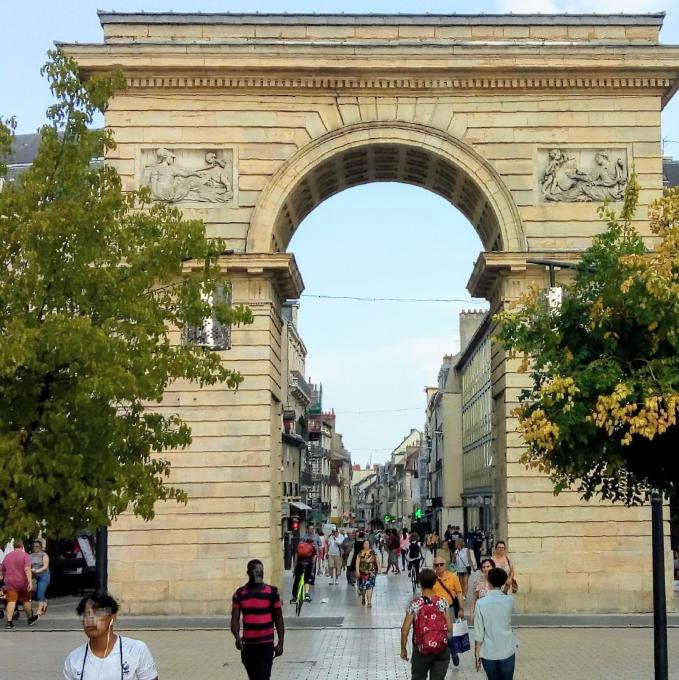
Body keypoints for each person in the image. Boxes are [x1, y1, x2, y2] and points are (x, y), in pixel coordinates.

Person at [63, 593, 158, 679]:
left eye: (98, 613)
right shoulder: (74, 659)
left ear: (113, 617)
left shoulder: (136, 650)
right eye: (86, 615)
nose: (90, 619)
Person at [231, 559, 284, 680]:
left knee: (264, 677)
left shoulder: (272, 592)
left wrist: (281, 642)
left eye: (260, 572)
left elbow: (279, 619)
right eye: (255, 572)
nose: (258, 575)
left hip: (266, 645)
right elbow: (235, 619)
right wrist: (237, 638)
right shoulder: (239, 594)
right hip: (248, 646)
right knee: (254, 677)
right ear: (248, 573)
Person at [400, 568, 452, 680]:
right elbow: (450, 627)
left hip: (421, 649)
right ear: (435, 582)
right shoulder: (442, 602)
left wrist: (403, 649)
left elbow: (405, 630)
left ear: (420, 583)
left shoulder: (415, 604)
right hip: (441, 649)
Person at [474, 568, 517, 679]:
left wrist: (477, 653)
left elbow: (479, 632)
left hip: (489, 651)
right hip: (507, 648)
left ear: (488, 581)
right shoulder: (510, 600)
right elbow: (502, 596)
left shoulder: (480, 603)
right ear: (503, 581)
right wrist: (507, 586)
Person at [432, 555, 464, 667]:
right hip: (435, 610)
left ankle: (454, 653)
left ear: (445, 565)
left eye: (441, 564)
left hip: (450, 609)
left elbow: (459, 592)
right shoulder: (431, 578)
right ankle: (441, 656)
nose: (439, 567)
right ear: (433, 566)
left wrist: (461, 608)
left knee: (450, 635)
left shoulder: (453, 577)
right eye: (436, 565)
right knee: (439, 634)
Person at [1, 538, 38, 628]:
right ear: (22, 546)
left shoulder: (7, 556)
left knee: (11, 601)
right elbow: (27, 569)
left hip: (10, 582)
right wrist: (29, 581)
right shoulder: (25, 556)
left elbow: (2, 570)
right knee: (25, 600)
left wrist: (3, 577)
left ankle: (9, 622)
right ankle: (30, 618)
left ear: (14, 547)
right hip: (22, 582)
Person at [470, 558, 496, 625]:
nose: (485, 569)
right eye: (483, 567)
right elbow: (474, 599)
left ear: (493, 567)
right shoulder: (478, 582)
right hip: (481, 614)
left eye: (488, 566)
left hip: (495, 613)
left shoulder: (497, 581)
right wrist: (472, 613)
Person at [356, 540, 380, 608]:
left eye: (367, 544)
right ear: (363, 545)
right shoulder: (360, 553)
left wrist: (379, 568)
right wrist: (357, 570)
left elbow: (377, 560)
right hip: (362, 572)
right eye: (365, 544)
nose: (366, 545)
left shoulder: (373, 552)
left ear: (369, 545)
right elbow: (357, 562)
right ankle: (363, 597)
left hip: (372, 571)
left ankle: (369, 602)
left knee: (369, 586)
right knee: (363, 588)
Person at [30, 539, 50, 617]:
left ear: (41, 547)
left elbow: (45, 566)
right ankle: (44, 601)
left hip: (44, 575)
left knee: (39, 593)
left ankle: (39, 610)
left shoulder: (44, 555)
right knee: (34, 593)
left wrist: (37, 570)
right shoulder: (30, 556)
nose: (35, 548)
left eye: (37, 546)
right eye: (34, 546)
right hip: (34, 575)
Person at [291, 538, 315, 603]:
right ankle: (306, 595)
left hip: (300, 564)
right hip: (308, 565)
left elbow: (296, 558)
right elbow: (313, 560)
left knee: (296, 580)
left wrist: (294, 567)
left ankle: (294, 597)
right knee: (307, 579)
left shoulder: (299, 546)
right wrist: (312, 571)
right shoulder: (312, 548)